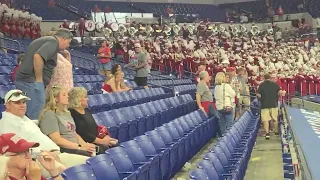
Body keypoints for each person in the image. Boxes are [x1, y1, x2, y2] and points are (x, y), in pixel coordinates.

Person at [0, 89, 90, 177]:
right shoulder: (6, 124)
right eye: (17, 103)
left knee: (90, 164)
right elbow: (12, 153)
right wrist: (42, 154)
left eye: (23, 102)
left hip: (56, 155)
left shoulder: (23, 118)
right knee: (77, 173)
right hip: (41, 160)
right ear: (8, 105)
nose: (22, 105)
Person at [14, 28, 73, 120]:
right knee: (36, 113)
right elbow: (37, 56)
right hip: (32, 82)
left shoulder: (45, 41)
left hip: (27, 81)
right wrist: (39, 79)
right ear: (64, 38)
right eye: (68, 42)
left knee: (32, 111)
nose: (68, 45)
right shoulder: (53, 42)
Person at [39, 86, 96, 156]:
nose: (68, 96)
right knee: (87, 154)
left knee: (97, 148)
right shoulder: (49, 114)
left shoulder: (66, 113)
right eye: (64, 95)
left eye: (67, 94)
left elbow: (74, 133)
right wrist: (79, 147)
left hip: (75, 146)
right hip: (63, 150)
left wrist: (85, 145)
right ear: (56, 99)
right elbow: (57, 140)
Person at [68, 87, 118, 152]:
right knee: (103, 149)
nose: (87, 99)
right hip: (86, 142)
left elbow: (95, 127)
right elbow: (82, 134)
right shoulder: (72, 113)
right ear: (78, 99)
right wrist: (101, 141)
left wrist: (105, 136)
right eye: (85, 97)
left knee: (115, 144)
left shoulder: (86, 110)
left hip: (96, 139)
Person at [257, 73, 285, 139]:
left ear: (264, 78)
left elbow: (258, 95)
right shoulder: (275, 84)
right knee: (275, 119)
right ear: (270, 78)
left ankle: (267, 133)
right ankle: (276, 132)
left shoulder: (261, 85)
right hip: (274, 104)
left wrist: (260, 99)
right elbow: (280, 92)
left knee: (265, 120)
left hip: (264, 105)